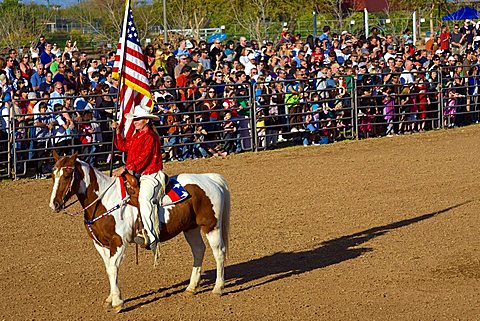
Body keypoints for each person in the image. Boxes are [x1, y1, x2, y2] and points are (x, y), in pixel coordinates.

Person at [113, 104, 165, 252]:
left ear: (146, 121)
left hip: (151, 174)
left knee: (144, 199)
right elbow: (124, 146)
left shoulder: (150, 137)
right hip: (140, 173)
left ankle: (151, 236)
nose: (134, 122)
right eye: (134, 119)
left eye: (138, 119)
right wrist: (117, 131)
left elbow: (144, 157)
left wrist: (126, 167)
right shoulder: (137, 135)